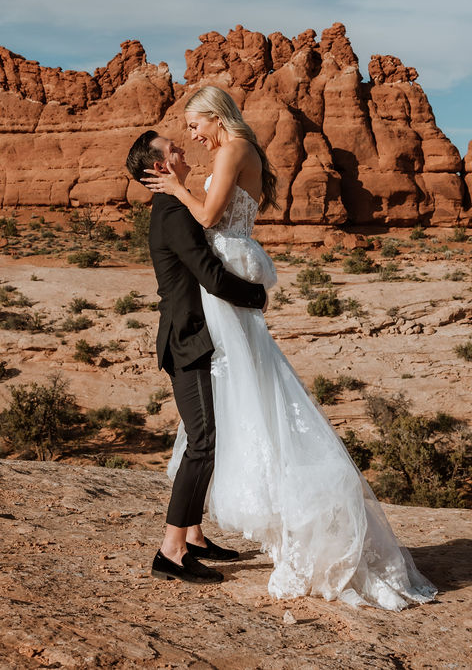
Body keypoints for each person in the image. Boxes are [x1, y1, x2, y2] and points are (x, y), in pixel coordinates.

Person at [142, 86, 437, 609]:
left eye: (194, 125)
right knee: (226, 407)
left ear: (216, 117)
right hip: (218, 294)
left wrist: (176, 189)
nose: (192, 137)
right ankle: (188, 538)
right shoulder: (232, 152)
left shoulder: (233, 149)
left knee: (237, 401)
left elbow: (210, 220)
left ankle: (189, 538)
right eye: (185, 133)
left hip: (224, 289)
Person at [125, 129, 268, 585]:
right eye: (173, 149)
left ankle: (194, 536)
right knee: (204, 441)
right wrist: (257, 295)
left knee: (198, 437)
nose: (182, 150)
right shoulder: (173, 212)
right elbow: (209, 276)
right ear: (160, 168)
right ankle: (171, 551)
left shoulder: (174, 207)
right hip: (187, 340)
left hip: (196, 337)